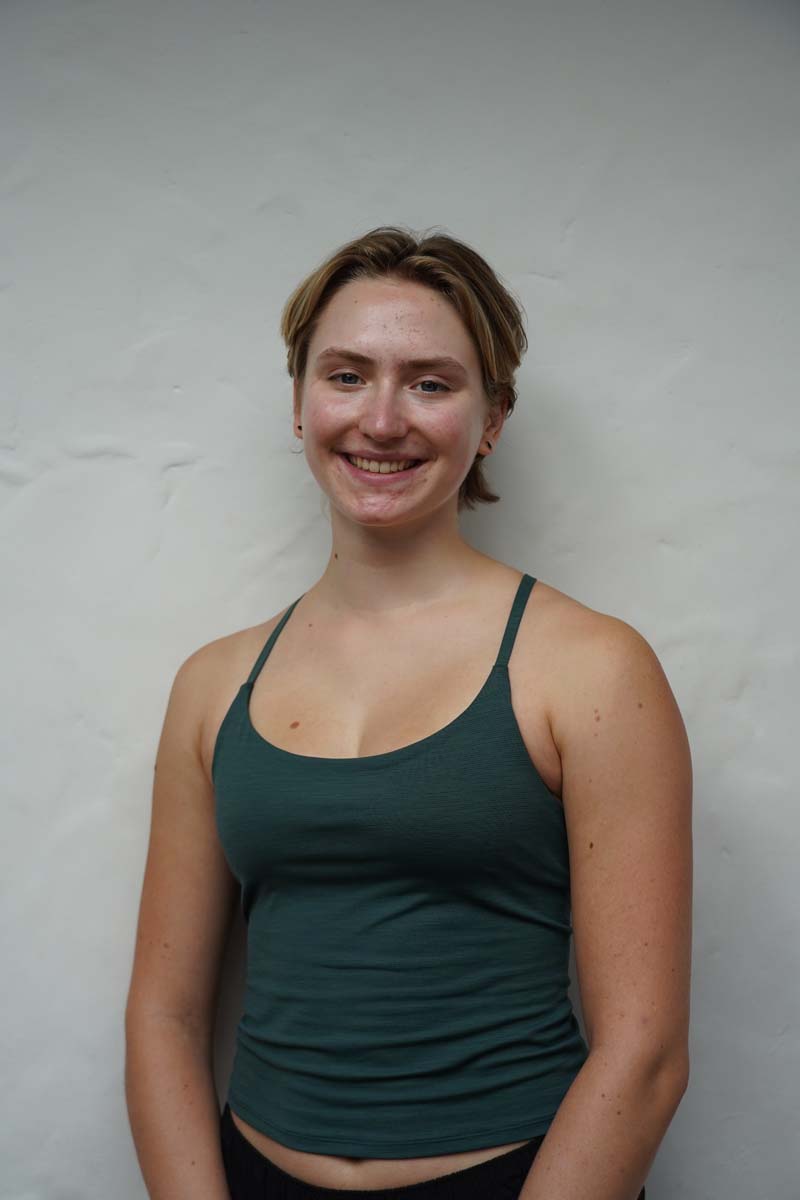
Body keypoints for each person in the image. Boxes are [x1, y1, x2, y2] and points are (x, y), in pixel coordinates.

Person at [124, 225, 692, 1200]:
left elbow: (642, 1054)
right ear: (299, 404)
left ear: (492, 418)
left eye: (429, 383)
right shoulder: (213, 686)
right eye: (346, 376)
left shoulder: (591, 670)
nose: (381, 421)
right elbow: (163, 1019)